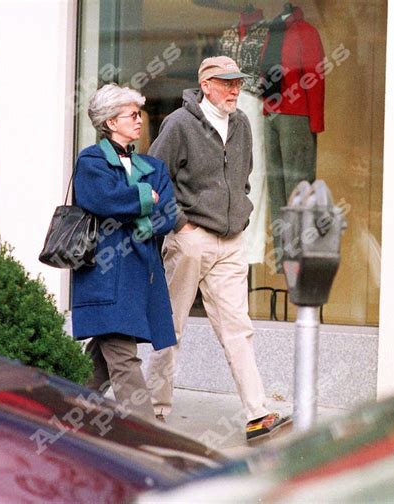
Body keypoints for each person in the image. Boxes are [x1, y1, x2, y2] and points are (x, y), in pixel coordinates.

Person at [146, 56, 290, 440]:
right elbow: (154, 177)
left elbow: (244, 176)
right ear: (205, 84)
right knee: (170, 325)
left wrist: (240, 216)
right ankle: (152, 411)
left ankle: (257, 413)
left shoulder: (241, 123)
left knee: (238, 329)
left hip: (230, 241)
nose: (234, 89)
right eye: (226, 82)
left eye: (237, 82)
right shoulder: (178, 123)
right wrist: (179, 223)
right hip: (191, 239)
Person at [71, 83, 177, 421]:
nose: (140, 121)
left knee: (101, 359)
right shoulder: (91, 161)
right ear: (110, 122)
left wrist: (145, 222)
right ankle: (148, 438)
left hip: (139, 277)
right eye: (132, 115)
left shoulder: (153, 166)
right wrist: (146, 198)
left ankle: (61, 414)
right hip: (103, 278)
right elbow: (104, 199)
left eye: (139, 114)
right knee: (123, 358)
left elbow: (170, 211)